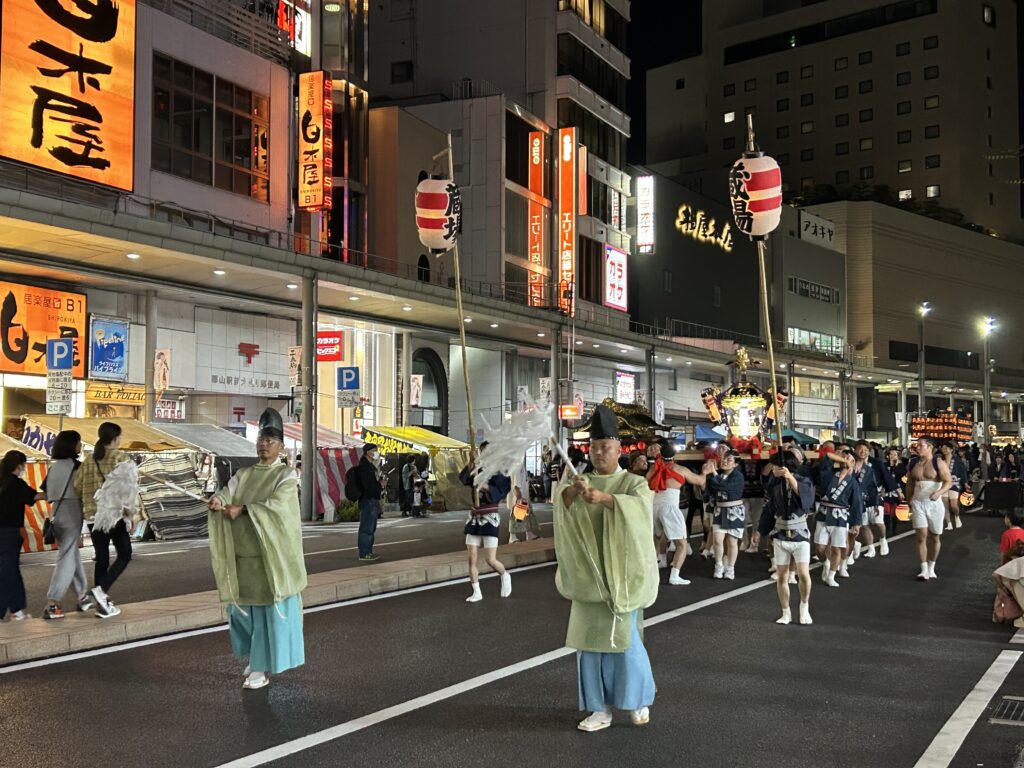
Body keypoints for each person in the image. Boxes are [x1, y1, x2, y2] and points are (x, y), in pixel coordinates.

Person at [554, 405, 658, 732]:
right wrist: (575, 491)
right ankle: (598, 710)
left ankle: (637, 700)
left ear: (619, 450)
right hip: (589, 578)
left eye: (606, 447)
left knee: (624, 644)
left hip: (621, 579)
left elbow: (642, 511)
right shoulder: (578, 480)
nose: (600, 453)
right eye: (595, 447)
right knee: (588, 648)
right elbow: (563, 506)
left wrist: (606, 499)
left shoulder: (632, 483)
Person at [208, 408, 306, 690]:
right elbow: (227, 491)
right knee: (243, 613)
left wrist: (246, 509)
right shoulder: (244, 474)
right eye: (261, 439)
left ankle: (259, 669)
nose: (264, 444)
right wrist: (218, 500)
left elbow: (281, 508)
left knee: (264, 616)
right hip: (242, 557)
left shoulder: (286, 476)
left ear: (281, 447)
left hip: (269, 560)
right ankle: (255, 659)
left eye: (270, 441)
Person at [75, 421, 135, 618]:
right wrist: (131, 516)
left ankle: (101, 601)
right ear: (116, 438)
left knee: (101, 558)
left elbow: (78, 486)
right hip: (113, 515)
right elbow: (129, 491)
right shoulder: (121, 458)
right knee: (125, 554)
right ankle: (100, 592)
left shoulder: (89, 460)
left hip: (93, 516)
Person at [754, 449, 816, 625]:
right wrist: (760, 530)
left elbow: (807, 502)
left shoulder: (804, 480)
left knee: (803, 574)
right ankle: (786, 612)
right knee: (782, 576)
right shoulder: (775, 485)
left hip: (800, 535)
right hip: (781, 535)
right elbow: (770, 509)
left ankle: (804, 607)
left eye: (774, 465)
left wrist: (790, 478)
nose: (772, 468)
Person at [42, 431, 91, 620]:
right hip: (72, 511)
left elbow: (46, 492)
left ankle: (82, 596)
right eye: (79, 442)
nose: (81, 446)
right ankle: (53, 602)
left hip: (56, 511)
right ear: (73, 445)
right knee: (66, 556)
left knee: (71, 554)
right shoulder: (78, 467)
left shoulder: (53, 468)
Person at [646, 442, 706, 586]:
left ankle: (651, 573)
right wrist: (705, 472)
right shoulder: (680, 469)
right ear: (674, 456)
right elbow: (700, 481)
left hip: (653, 506)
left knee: (654, 540)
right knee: (681, 543)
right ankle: (674, 575)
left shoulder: (654, 468)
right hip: (670, 507)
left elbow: (646, 481)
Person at [461, 444, 512, 603]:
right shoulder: (478, 467)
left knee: (491, 560)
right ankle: (476, 591)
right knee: (472, 558)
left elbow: (500, 492)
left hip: (490, 515)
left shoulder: (501, 471)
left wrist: (482, 483)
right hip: (475, 516)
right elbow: (464, 479)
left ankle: (504, 575)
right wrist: (471, 463)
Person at [0, 451, 45, 621]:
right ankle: (16, 611)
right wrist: (56, 494)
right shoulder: (16, 484)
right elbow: (35, 496)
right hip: (9, 532)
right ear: (18, 465)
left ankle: (14, 610)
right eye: (24, 465)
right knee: (10, 571)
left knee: (6, 571)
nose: (24, 468)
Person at [815, 447, 863, 587]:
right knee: (819, 548)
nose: (847, 461)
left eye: (850, 460)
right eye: (845, 458)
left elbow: (856, 503)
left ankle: (831, 575)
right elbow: (827, 456)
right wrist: (844, 459)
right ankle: (825, 562)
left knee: (836, 548)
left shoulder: (853, 482)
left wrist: (856, 523)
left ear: (854, 465)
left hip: (840, 516)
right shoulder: (829, 474)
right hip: (824, 513)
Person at [907, 436, 953, 581]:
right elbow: (909, 483)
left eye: (921, 445)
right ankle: (923, 569)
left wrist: (939, 493)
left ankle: (931, 566)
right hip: (918, 502)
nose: (918, 448)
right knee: (921, 535)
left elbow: (948, 482)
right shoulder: (912, 463)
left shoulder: (938, 462)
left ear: (930, 447)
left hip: (934, 503)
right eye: (917, 445)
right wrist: (908, 500)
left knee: (935, 536)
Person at [705, 450, 746, 580]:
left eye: (729, 460)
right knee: (717, 540)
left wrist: (714, 473)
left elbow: (725, 487)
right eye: (724, 459)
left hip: (734, 510)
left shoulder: (738, 476)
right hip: (719, 509)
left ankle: (730, 568)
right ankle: (718, 565)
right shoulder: (716, 475)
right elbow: (711, 491)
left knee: (732, 541)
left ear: (735, 464)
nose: (725, 461)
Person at [355, 443, 384, 561]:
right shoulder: (364, 467)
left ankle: (368, 551)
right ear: (368, 452)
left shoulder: (368, 465)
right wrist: (380, 484)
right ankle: (364, 553)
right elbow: (368, 485)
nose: (377, 453)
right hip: (368, 499)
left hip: (371, 499)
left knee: (370, 527)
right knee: (367, 527)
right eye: (375, 450)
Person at [939, 442, 969, 530]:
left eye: (946, 448)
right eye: (943, 448)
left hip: (954, 483)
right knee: (944, 504)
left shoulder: (957, 460)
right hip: (943, 484)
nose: (944, 450)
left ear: (951, 449)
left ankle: (957, 516)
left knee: (953, 505)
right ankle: (949, 523)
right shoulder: (941, 460)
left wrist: (965, 483)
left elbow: (962, 471)